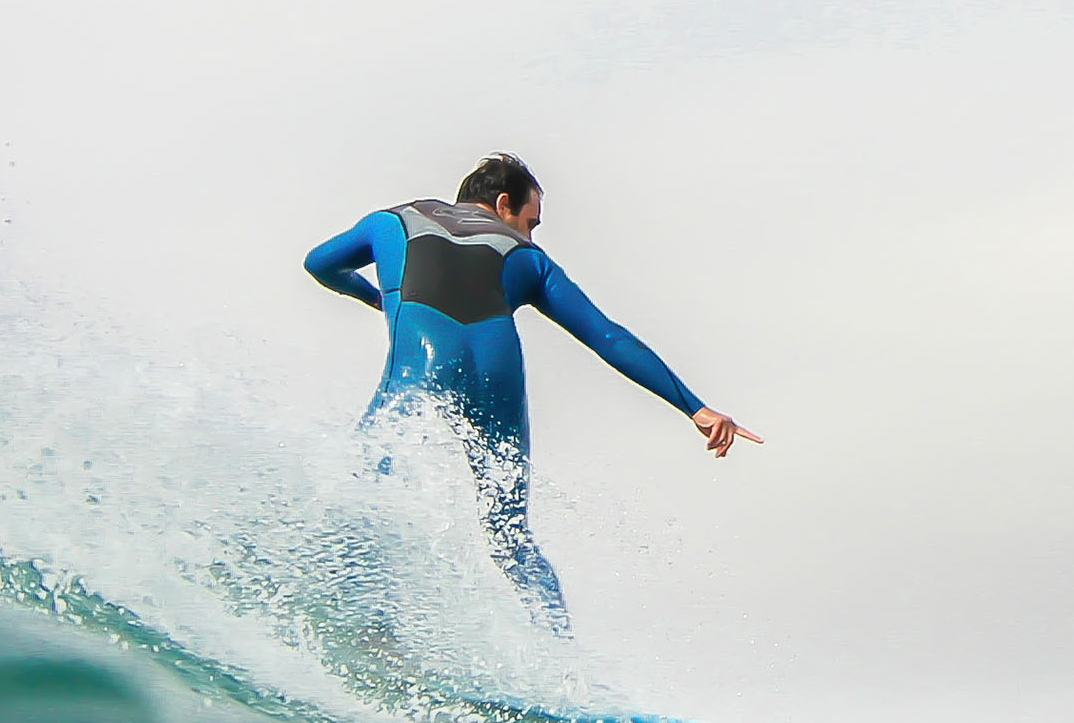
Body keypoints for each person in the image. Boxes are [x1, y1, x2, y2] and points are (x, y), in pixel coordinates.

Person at [303, 154, 758, 629]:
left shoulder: (392, 220)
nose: (531, 235)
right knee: (508, 533)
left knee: (368, 477)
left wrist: (375, 297)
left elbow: (319, 264)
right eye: (530, 222)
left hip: (423, 358)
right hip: (497, 369)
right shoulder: (528, 259)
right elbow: (607, 336)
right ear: (503, 204)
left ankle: (362, 613)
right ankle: (558, 652)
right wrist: (695, 407)